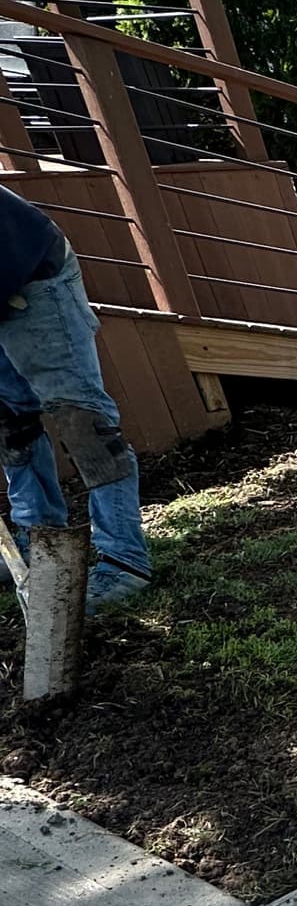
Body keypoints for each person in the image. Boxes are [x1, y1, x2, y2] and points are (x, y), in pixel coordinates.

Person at [0, 182, 151, 613]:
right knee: (11, 422)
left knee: (83, 421)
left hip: (31, 274)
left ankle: (124, 559)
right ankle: (38, 541)